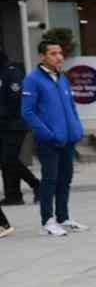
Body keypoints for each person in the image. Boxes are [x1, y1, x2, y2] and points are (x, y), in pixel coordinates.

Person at [21, 36, 86, 237]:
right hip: (49, 141)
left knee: (65, 178)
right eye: (53, 53)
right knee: (50, 179)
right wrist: (47, 134)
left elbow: (71, 107)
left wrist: (77, 128)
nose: (59, 57)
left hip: (68, 139)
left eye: (60, 53)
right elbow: (27, 112)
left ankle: (63, 218)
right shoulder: (33, 79)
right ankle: (47, 221)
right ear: (42, 56)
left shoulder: (62, 78)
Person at [0, 45, 41, 206]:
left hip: (15, 124)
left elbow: (15, 100)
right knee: (5, 161)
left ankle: (37, 185)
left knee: (8, 159)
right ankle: (13, 196)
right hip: (4, 125)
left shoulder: (13, 72)